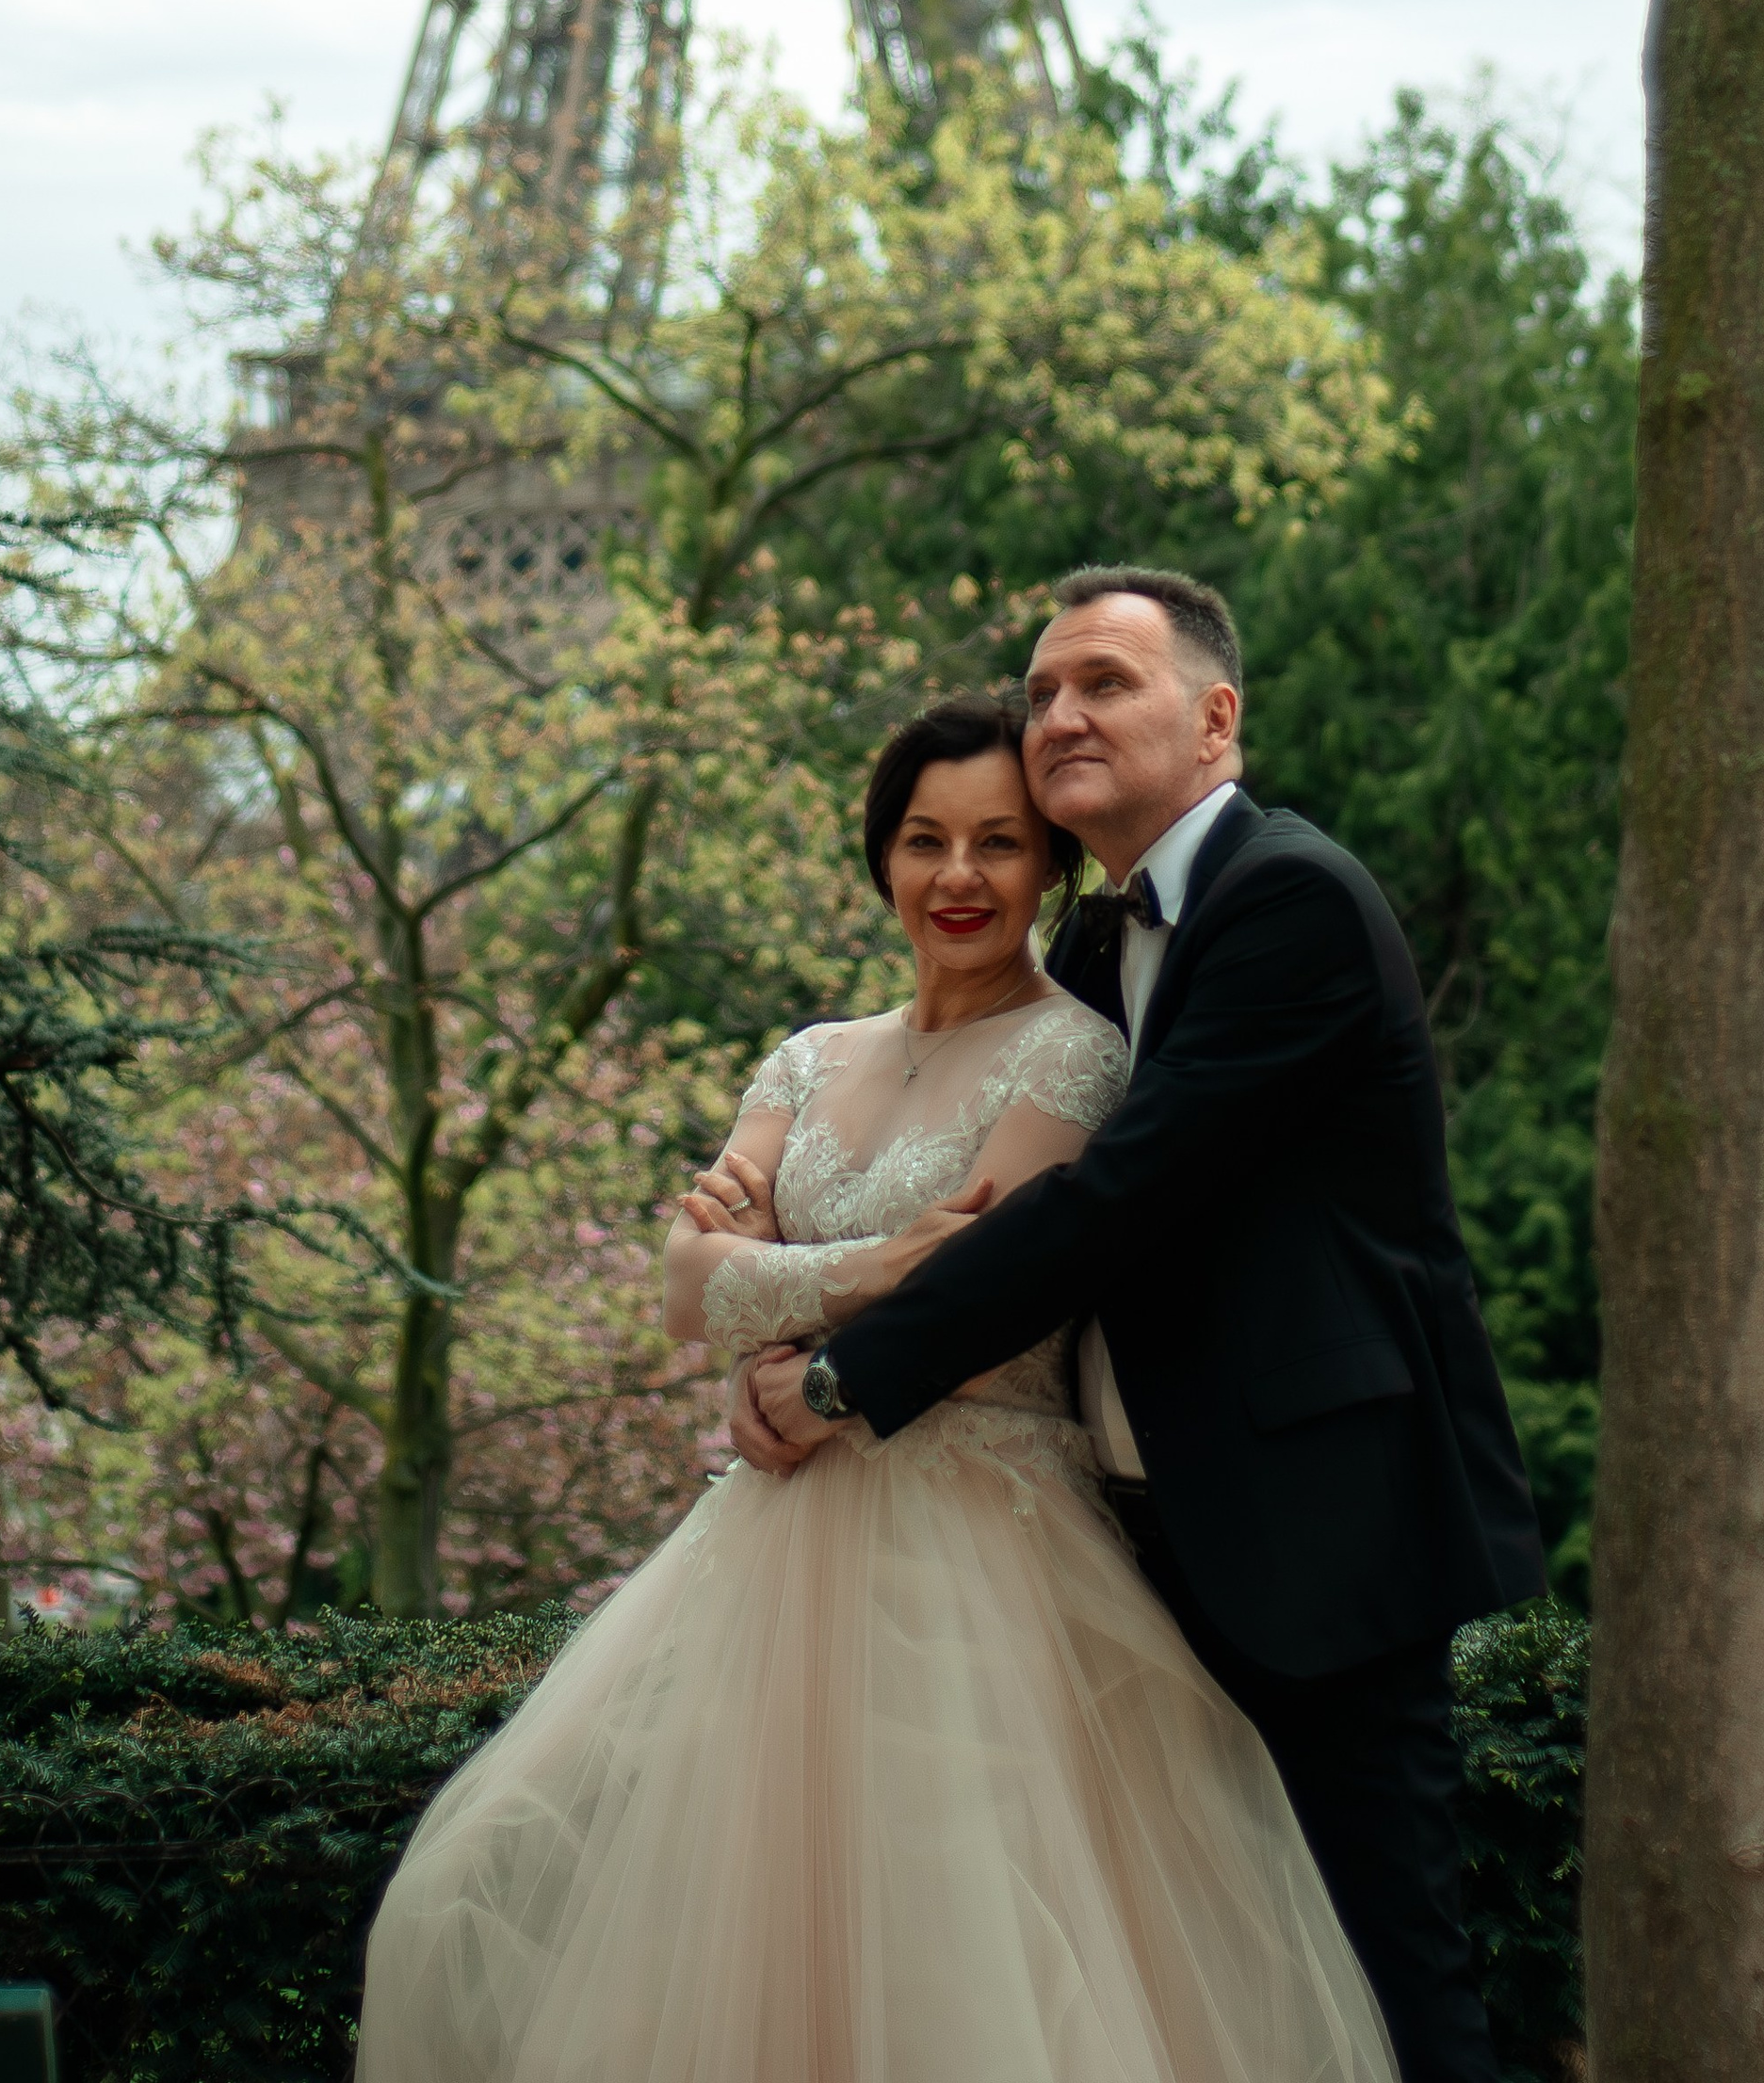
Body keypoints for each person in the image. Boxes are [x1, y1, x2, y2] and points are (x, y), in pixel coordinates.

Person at [355, 687, 1398, 2083]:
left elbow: (984, 1284)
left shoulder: (1074, 1055)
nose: (959, 876)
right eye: (924, 840)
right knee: (676, 1930)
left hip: (983, 1563)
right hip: (774, 1550)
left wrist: (781, 1285)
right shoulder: (807, 1058)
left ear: (1049, 868)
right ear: (882, 858)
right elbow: (686, 1288)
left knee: (953, 1958)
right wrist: (874, 1266)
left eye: (999, 843)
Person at [745, 567, 1547, 2083]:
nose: (1059, 714)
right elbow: (980, 1198)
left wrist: (845, 1379)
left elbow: (1115, 1202)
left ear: (1215, 717)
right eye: (1044, 691)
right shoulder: (1091, 956)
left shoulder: (1293, 900)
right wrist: (770, 1238)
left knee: (1385, 1982)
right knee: (1209, 1998)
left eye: (1105, 683)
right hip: (1121, 1534)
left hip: (1315, 1532)